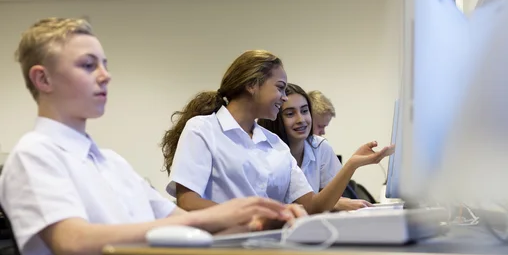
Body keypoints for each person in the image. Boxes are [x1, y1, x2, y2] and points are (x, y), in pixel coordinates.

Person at [0, 18, 299, 255]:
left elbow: (186, 228)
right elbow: (73, 244)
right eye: (88, 65)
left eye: (104, 65)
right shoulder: (34, 154)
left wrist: (262, 220)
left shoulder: (112, 163)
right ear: (43, 78)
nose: (106, 75)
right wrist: (220, 214)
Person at [161, 50, 393, 215]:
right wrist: (251, 216)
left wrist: (352, 164)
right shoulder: (203, 129)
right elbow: (188, 201)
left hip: (268, 248)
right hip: (221, 248)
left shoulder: (274, 144)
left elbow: (314, 206)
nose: (283, 97)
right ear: (253, 85)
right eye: (280, 88)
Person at [258, 83, 380, 211]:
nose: (301, 119)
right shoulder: (266, 152)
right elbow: (309, 206)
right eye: (290, 114)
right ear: (274, 118)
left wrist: (352, 164)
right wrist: (351, 165)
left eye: (305, 111)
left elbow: (328, 199)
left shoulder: (320, 146)